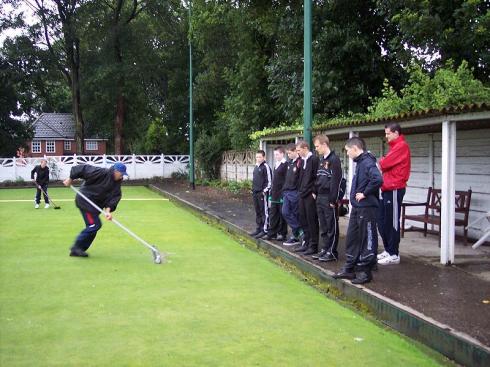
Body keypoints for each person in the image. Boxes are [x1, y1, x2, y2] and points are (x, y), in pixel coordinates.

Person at [333, 137, 383, 284]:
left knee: (367, 239)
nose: (347, 154)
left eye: (348, 151)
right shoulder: (360, 163)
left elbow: (378, 179)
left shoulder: (367, 162)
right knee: (352, 237)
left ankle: (365, 272)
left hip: (367, 208)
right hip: (357, 208)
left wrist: (365, 193)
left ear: (355, 148)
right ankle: (349, 268)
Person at [63, 162, 128, 257]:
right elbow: (81, 168)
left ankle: (78, 250)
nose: (122, 176)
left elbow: (114, 198)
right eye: (121, 174)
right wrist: (70, 179)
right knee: (94, 225)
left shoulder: (117, 184)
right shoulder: (101, 172)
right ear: (115, 171)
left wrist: (108, 212)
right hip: (85, 201)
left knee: (93, 228)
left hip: (95, 206)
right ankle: (76, 247)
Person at [377, 123, 411, 265]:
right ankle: (388, 249)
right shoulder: (394, 147)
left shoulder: (401, 146)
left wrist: (382, 161)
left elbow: (383, 164)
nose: (386, 136)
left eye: (388, 133)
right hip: (387, 188)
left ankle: (394, 253)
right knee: (383, 221)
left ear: (396, 133)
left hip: (395, 188)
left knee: (392, 222)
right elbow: (384, 163)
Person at [312, 135, 342, 262]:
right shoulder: (321, 160)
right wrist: (314, 191)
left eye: (317, 146)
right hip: (320, 197)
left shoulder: (334, 160)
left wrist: (333, 199)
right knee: (323, 225)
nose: (316, 149)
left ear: (324, 144)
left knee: (331, 225)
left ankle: (332, 252)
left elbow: (336, 181)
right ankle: (324, 249)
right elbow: (318, 178)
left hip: (329, 198)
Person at [294, 141, 320, 255]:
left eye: (299, 150)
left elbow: (317, 177)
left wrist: (314, 191)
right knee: (303, 219)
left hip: (309, 194)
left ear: (305, 148)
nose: (298, 153)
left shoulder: (313, 159)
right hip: (302, 194)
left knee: (311, 220)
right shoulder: (302, 160)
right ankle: (306, 242)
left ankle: (313, 245)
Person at [281, 144, 304, 246]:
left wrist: (298, 192)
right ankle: (299, 231)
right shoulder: (290, 163)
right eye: (288, 153)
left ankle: (295, 236)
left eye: (290, 153)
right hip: (287, 192)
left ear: (295, 151)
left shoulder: (300, 162)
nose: (288, 155)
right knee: (285, 212)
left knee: (295, 214)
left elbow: (301, 179)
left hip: (295, 192)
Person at [266, 146, 288, 241]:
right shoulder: (276, 164)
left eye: (277, 154)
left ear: (282, 154)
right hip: (274, 194)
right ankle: (272, 233)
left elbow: (286, 181)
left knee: (282, 215)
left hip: (282, 194)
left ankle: (282, 234)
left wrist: (284, 193)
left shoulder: (285, 165)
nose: (275, 156)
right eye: (274, 154)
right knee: (273, 214)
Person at [249, 150, 273, 239]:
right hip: (255, 193)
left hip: (262, 194)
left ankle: (265, 230)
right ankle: (258, 228)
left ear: (264, 157)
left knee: (264, 212)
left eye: (259, 157)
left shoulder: (266, 167)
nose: (258, 159)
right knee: (258, 211)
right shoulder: (256, 167)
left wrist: (264, 191)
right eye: (257, 157)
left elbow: (269, 182)